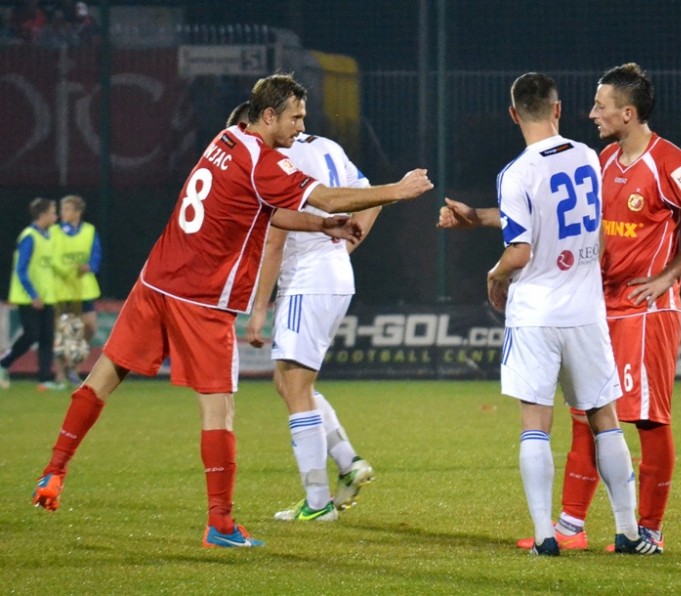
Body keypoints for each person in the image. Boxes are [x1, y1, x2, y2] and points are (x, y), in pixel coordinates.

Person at [30, 73, 433, 548]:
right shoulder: (265, 162)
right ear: (269, 116)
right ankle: (221, 525)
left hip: (156, 280)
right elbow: (326, 195)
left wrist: (320, 225)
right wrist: (397, 190)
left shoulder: (225, 140)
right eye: (295, 118)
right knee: (219, 411)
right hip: (202, 299)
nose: (301, 127)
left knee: (102, 377)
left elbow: (263, 209)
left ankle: (54, 471)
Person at [440, 63, 681, 552]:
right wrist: (480, 217)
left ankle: (649, 530)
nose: (591, 113)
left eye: (601, 106)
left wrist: (667, 277)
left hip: (646, 310)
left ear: (628, 113)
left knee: (648, 419)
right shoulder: (598, 160)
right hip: (596, 304)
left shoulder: (668, 161)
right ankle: (572, 526)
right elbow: (546, 217)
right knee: (587, 416)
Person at [485, 71, 657, 556]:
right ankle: (627, 531)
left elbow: (519, 250)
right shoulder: (587, 156)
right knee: (605, 418)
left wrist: (495, 275)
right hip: (585, 311)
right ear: (558, 109)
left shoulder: (515, 173)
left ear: (514, 114)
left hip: (536, 314)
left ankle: (545, 535)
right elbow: (598, 235)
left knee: (535, 423)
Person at [223, 101, 377, 522]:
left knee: (294, 388)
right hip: (334, 278)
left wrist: (259, 309)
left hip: (306, 282)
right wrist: (346, 248)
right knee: (290, 383)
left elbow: (274, 238)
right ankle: (347, 461)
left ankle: (317, 502)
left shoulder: (275, 160)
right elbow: (371, 197)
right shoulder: (326, 146)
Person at [1, 198, 59, 391]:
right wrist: (33, 294)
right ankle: (4, 362)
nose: (55, 216)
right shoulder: (29, 236)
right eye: (52, 212)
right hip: (29, 298)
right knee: (31, 335)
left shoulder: (48, 236)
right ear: (42, 215)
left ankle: (45, 380)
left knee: (47, 338)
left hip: (47, 297)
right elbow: (21, 269)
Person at [51, 194, 101, 387]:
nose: (62, 213)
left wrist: (90, 266)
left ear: (78, 212)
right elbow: (52, 257)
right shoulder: (55, 231)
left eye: (66, 209)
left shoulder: (89, 230)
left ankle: (73, 366)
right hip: (62, 289)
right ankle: (60, 376)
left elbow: (96, 254)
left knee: (90, 327)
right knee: (63, 333)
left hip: (83, 288)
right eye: (62, 209)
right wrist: (67, 271)